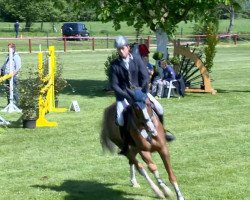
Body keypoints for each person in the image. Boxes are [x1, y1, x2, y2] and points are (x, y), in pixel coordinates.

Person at [110, 36, 174, 155]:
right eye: (119, 49)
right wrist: (126, 95)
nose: (121, 51)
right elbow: (115, 85)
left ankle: (163, 133)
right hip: (124, 96)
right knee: (120, 119)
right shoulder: (114, 65)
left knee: (159, 107)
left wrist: (144, 90)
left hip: (140, 92)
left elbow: (145, 76)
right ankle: (125, 145)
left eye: (123, 48)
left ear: (128, 47)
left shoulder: (137, 59)